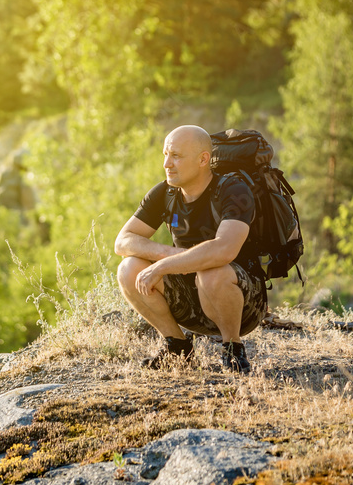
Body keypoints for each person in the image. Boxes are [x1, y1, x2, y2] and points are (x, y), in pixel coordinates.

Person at [114, 125, 268, 373]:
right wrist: (170, 256)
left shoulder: (232, 190)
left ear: (203, 159)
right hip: (191, 297)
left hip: (244, 304)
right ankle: (178, 348)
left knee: (211, 270)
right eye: (165, 154)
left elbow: (224, 250)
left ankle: (233, 350)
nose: (167, 163)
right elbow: (123, 241)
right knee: (128, 268)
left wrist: (162, 266)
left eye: (176, 156)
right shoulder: (165, 193)